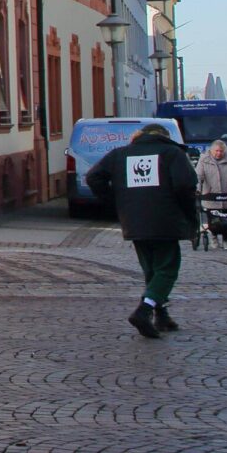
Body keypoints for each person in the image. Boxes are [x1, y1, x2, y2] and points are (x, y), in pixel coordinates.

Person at [85, 122, 198, 337]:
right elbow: (186, 185)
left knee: (151, 269)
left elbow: (93, 177)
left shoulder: (121, 154)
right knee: (166, 269)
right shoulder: (171, 153)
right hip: (165, 219)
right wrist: (189, 216)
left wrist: (114, 201)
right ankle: (144, 311)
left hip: (134, 220)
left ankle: (161, 315)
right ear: (164, 137)